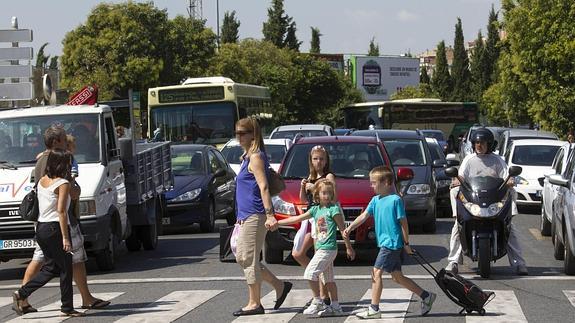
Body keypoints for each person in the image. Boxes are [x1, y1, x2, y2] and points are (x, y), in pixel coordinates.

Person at [19, 127, 110, 314]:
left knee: (57, 263)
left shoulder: (42, 166)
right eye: (63, 140)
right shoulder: (59, 170)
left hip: (43, 223)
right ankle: (24, 296)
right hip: (59, 224)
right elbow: (65, 204)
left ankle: (26, 298)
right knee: (62, 264)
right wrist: (65, 237)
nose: (67, 145)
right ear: (55, 143)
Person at [343, 166, 437, 318]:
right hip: (385, 243)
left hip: (392, 243)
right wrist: (350, 227)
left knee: (376, 273)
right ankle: (426, 296)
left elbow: (404, 223)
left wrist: (407, 243)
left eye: (374, 182)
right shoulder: (375, 200)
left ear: (386, 182)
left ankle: (374, 309)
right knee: (397, 277)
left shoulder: (395, 200)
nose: (371, 185)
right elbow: (364, 216)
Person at [446, 127, 528, 275]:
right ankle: (453, 262)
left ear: (490, 144)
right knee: (457, 227)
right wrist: (457, 181)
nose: (479, 145)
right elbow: (461, 177)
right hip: (474, 200)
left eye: (483, 143)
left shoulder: (497, 160)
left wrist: (510, 180)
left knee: (510, 228)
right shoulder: (469, 160)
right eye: (477, 143)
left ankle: (519, 264)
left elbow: (508, 176)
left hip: (494, 201)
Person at [13, 149, 83, 317]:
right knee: (66, 269)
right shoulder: (62, 184)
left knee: (51, 268)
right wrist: (66, 237)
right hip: (55, 228)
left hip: (42, 229)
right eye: (68, 163)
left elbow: (73, 195)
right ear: (63, 165)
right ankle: (67, 307)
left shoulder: (43, 180)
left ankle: (22, 293)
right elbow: (61, 211)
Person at [233, 117, 292, 316]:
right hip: (246, 215)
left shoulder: (256, 157)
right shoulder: (248, 156)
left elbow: (263, 186)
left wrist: (270, 215)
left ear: (253, 134)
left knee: (248, 258)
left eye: (243, 133)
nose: (238, 137)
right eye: (237, 133)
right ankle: (279, 286)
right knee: (242, 257)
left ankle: (254, 303)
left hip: (256, 214)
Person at [276, 180, 354, 316]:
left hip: (328, 249)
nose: (328, 196)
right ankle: (336, 307)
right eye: (324, 193)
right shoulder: (315, 210)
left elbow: (343, 230)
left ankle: (317, 301)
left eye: (330, 193)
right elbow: (296, 219)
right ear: (317, 195)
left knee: (310, 273)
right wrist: (277, 222)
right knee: (328, 279)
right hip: (321, 248)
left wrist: (349, 247)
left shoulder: (333, 209)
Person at [294, 145, 336, 306]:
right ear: (311, 161)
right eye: (315, 159)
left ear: (326, 161)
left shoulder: (328, 176)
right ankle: (320, 287)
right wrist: (303, 187)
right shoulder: (310, 176)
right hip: (310, 217)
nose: (319, 162)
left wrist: (314, 188)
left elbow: (333, 199)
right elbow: (304, 200)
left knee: (319, 256)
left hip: (322, 220)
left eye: (322, 159)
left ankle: (323, 295)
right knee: (298, 253)